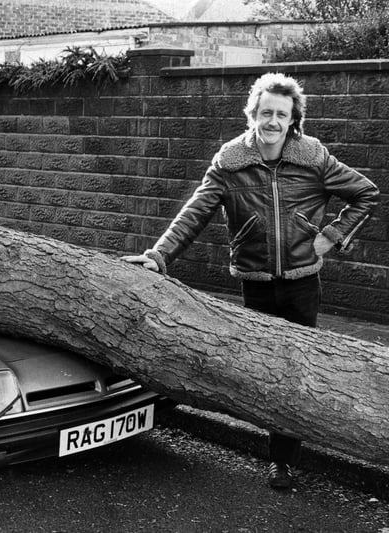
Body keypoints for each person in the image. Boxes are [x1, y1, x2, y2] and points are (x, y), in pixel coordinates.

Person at [123, 72, 380, 490]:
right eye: (266, 113)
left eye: (281, 113)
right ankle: (271, 446)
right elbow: (195, 212)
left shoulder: (314, 158)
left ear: (293, 118)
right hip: (257, 284)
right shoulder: (230, 162)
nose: (273, 121)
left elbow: (366, 193)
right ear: (253, 115)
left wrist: (330, 237)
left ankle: (283, 461)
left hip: (301, 284)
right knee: (267, 371)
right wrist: (158, 256)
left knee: (296, 373)